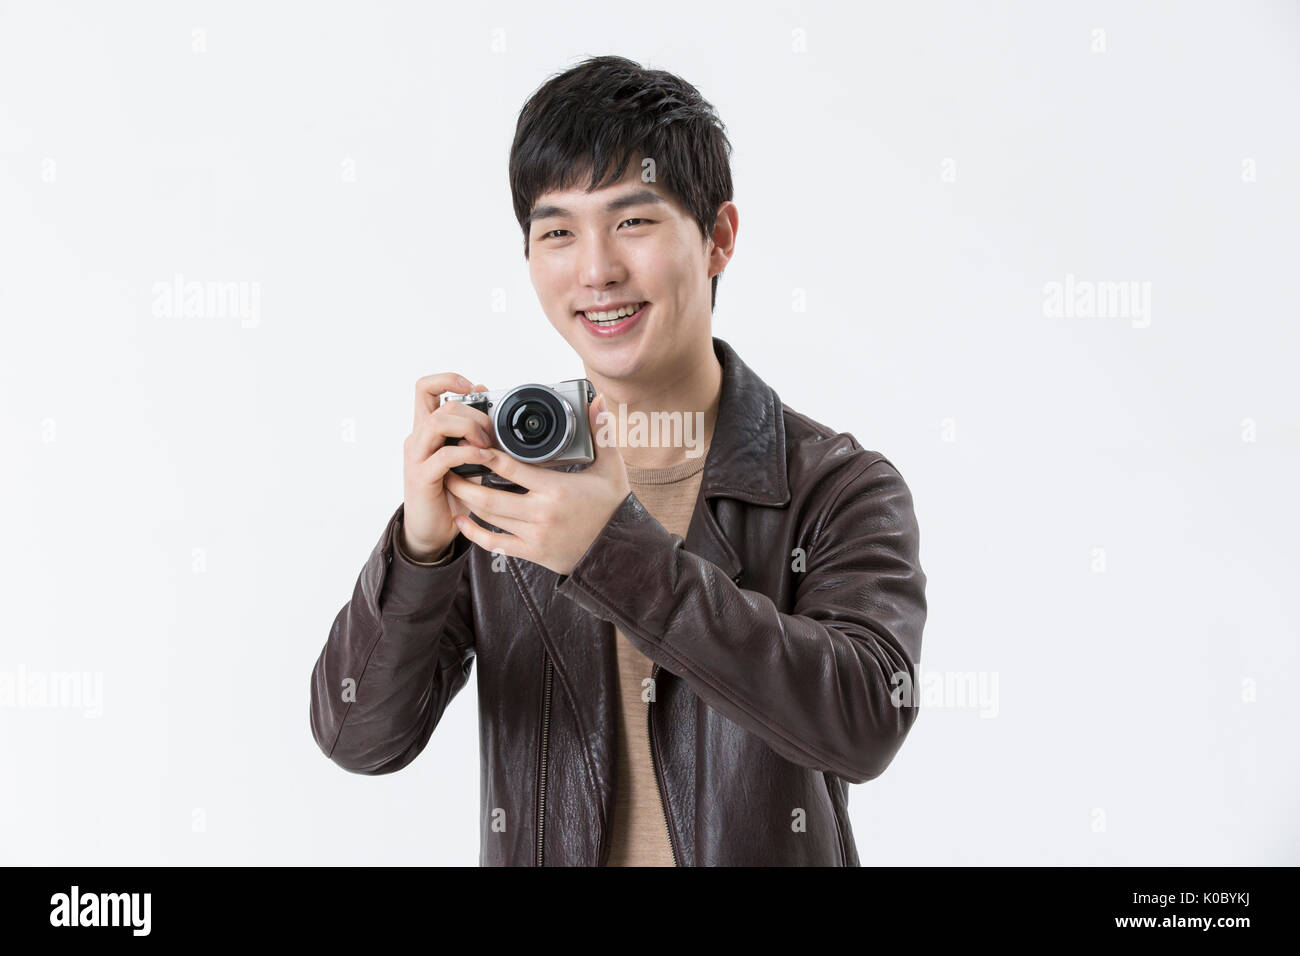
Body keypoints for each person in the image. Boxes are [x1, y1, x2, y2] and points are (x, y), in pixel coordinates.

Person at [309, 55, 927, 866]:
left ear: (719, 239)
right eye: (558, 230)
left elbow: (864, 722)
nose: (595, 270)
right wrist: (420, 551)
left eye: (633, 221)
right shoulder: (503, 486)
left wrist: (611, 553)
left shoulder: (831, 485)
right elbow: (360, 737)